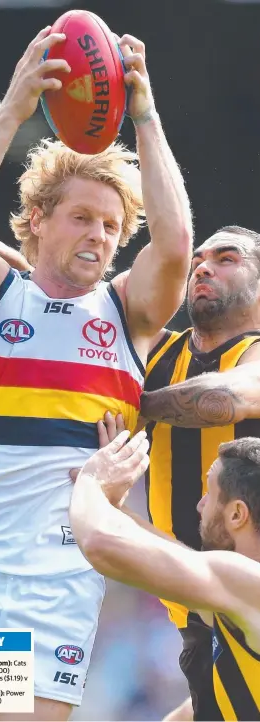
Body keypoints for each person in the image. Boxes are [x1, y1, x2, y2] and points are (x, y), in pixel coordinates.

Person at [0, 22, 192, 722]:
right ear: (35, 220)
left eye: (109, 225)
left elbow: (175, 244)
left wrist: (146, 116)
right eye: (80, 218)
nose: (98, 235)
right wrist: (12, 109)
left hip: (54, 589)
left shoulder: (128, 315)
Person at [139, 225, 260, 720]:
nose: (204, 267)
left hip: (241, 598)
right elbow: (50, 307)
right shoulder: (158, 352)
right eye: (199, 260)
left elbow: (229, 398)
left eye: (227, 258)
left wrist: (138, 403)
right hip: (196, 617)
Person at [70, 430, 260, 722]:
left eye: (209, 493)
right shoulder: (241, 594)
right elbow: (182, 558)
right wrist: (115, 507)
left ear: (237, 514)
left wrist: (91, 480)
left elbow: (99, 543)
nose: (200, 505)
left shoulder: (247, 583)